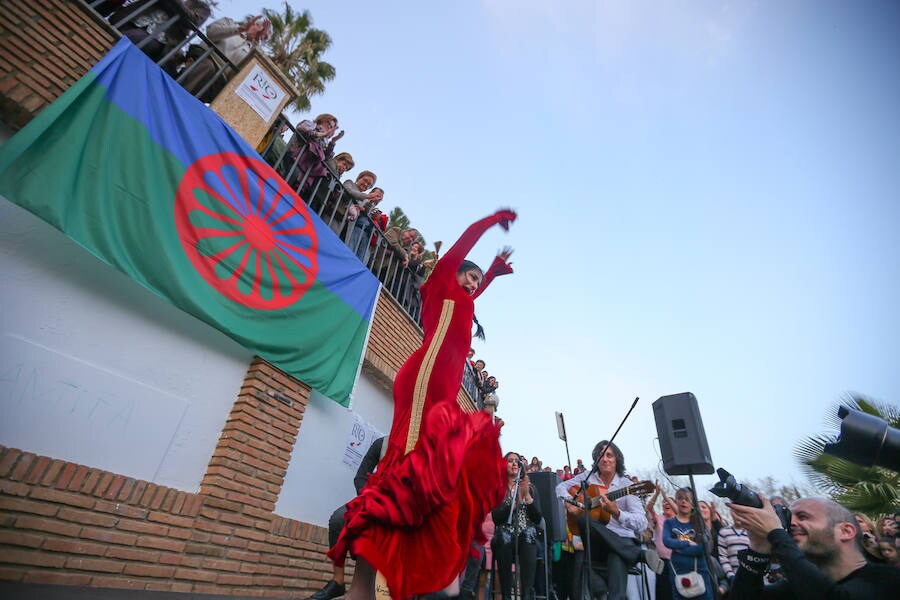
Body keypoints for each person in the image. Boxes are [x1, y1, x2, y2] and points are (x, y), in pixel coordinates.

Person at [327, 209, 518, 600]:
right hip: (424, 380)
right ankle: (368, 586)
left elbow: (470, 296)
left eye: (477, 280)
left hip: (445, 392)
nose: (472, 282)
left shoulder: (462, 299)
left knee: (431, 471)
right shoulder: (441, 284)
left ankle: (378, 582)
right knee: (407, 464)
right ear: (453, 271)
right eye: (470, 274)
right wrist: (489, 221)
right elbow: (463, 244)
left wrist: (493, 275)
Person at [727, 495, 900, 599]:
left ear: (846, 531)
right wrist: (758, 549)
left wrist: (775, 533)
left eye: (802, 517)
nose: (790, 524)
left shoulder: (888, 579)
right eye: (789, 518)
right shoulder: (796, 588)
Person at [555, 440, 661, 600]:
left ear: (617, 459)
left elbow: (641, 523)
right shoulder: (587, 477)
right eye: (600, 456)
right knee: (583, 519)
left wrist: (617, 513)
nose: (604, 459)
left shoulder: (628, 486)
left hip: (621, 542)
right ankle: (639, 555)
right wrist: (572, 502)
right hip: (596, 544)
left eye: (609, 455)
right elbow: (560, 488)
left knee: (616, 555)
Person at [308, 437, 386, 600]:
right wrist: (369, 500)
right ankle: (338, 581)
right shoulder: (382, 443)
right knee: (338, 519)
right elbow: (360, 477)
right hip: (372, 500)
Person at [180, 14, 272, 102]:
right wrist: (241, 29)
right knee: (208, 66)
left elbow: (245, 73)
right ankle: (178, 95)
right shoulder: (229, 23)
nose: (263, 37)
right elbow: (211, 33)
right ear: (256, 24)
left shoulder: (253, 52)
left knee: (226, 92)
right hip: (205, 56)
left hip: (220, 79)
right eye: (263, 32)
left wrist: (255, 45)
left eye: (265, 37)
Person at [491, 452, 543, 600]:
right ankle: (507, 595)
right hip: (504, 536)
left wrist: (526, 496)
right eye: (510, 461)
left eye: (517, 461)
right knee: (504, 537)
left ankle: (526, 595)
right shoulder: (498, 488)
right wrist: (514, 502)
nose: (514, 464)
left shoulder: (530, 487)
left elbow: (538, 518)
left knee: (529, 534)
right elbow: (496, 517)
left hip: (526, 537)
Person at [663, 487, 714, 600]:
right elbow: (666, 541)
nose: (683, 501)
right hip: (678, 571)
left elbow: (703, 548)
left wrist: (678, 548)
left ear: (692, 503)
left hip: (699, 571)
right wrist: (687, 542)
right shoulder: (669, 522)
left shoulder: (699, 522)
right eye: (680, 498)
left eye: (687, 499)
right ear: (675, 501)